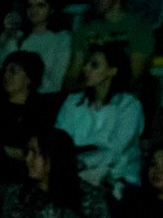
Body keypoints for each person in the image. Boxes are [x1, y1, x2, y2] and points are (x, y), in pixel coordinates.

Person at [54, 45, 146, 191]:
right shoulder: (73, 102)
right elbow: (60, 141)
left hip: (118, 178)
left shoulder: (129, 106)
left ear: (112, 71)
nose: (86, 68)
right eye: (87, 63)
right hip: (74, 174)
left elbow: (117, 148)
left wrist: (85, 164)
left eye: (94, 65)